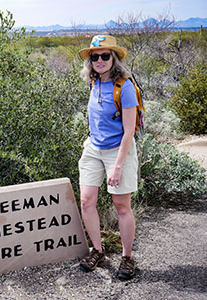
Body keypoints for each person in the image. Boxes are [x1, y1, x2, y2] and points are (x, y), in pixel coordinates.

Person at [77, 35, 138, 280]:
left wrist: (118, 166)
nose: (100, 60)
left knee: (121, 206)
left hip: (118, 150)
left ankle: (127, 257)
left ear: (114, 58)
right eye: (95, 56)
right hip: (93, 148)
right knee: (86, 201)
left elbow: (129, 130)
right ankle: (98, 251)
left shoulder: (125, 86)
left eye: (105, 55)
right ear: (90, 61)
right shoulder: (93, 82)